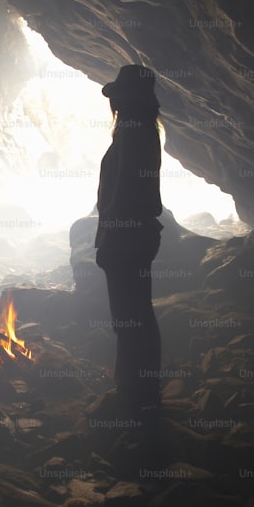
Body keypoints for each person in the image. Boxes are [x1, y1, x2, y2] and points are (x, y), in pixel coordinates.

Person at [94, 64, 164, 418]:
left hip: (126, 240)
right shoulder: (140, 132)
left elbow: (124, 195)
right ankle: (139, 392)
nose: (115, 104)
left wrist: (108, 242)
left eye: (119, 97)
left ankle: (135, 396)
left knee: (130, 319)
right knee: (136, 317)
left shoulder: (133, 134)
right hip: (134, 237)